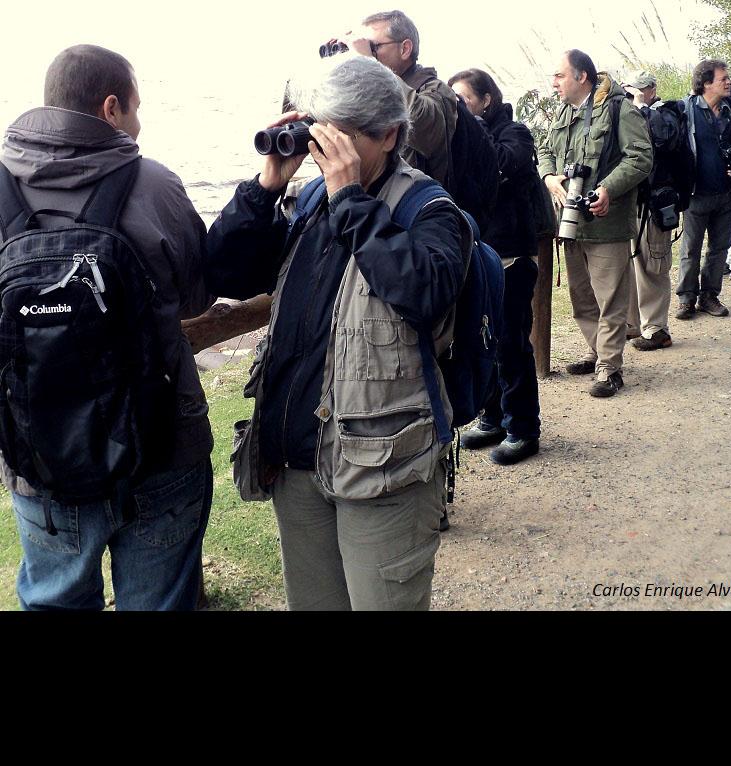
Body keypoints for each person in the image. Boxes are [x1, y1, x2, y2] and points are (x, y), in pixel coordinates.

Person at [205, 56, 472, 611]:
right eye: (319, 129)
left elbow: (424, 292)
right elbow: (225, 274)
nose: (325, 147)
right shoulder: (308, 200)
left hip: (383, 470)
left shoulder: (430, 210)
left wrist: (350, 200)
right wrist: (266, 186)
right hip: (298, 459)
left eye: (342, 134)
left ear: (389, 135)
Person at [0, 45, 215, 610]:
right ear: (111, 107)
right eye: (136, 109)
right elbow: (198, 295)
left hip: (39, 455)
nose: (138, 125)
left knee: (55, 600)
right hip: (160, 448)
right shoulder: (155, 184)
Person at [539, 50, 652, 397]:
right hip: (571, 223)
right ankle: (597, 350)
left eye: (559, 76)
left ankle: (609, 368)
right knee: (582, 299)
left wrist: (607, 189)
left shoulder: (620, 109)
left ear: (582, 77)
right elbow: (544, 150)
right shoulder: (564, 110)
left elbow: (641, 157)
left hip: (607, 222)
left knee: (610, 299)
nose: (554, 83)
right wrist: (549, 177)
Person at [447, 68, 541, 465]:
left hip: (512, 255)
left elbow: (500, 164)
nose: (457, 110)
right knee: (482, 339)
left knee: (511, 343)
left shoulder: (514, 133)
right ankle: (493, 418)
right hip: (479, 255)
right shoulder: (459, 140)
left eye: (464, 101)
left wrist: (468, 126)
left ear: (486, 100)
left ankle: (523, 428)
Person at [675, 60, 731, 319]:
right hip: (696, 195)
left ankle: (709, 297)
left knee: (720, 247)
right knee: (690, 249)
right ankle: (687, 299)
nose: (728, 82)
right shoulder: (685, 110)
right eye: (723, 78)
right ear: (706, 83)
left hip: (727, 194)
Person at [343, 9, 457, 187]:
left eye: (373, 47)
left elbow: (426, 128)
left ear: (405, 49)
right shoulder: (366, 93)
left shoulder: (436, 89)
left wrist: (370, 63)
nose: (366, 54)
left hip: (413, 197)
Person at [623, 70, 681, 351]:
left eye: (637, 90)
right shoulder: (630, 114)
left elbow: (662, 140)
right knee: (631, 264)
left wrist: (641, 108)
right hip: (633, 203)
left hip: (656, 205)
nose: (631, 95)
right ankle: (634, 324)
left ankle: (657, 329)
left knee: (653, 265)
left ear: (651, 90)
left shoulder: (666, 114)